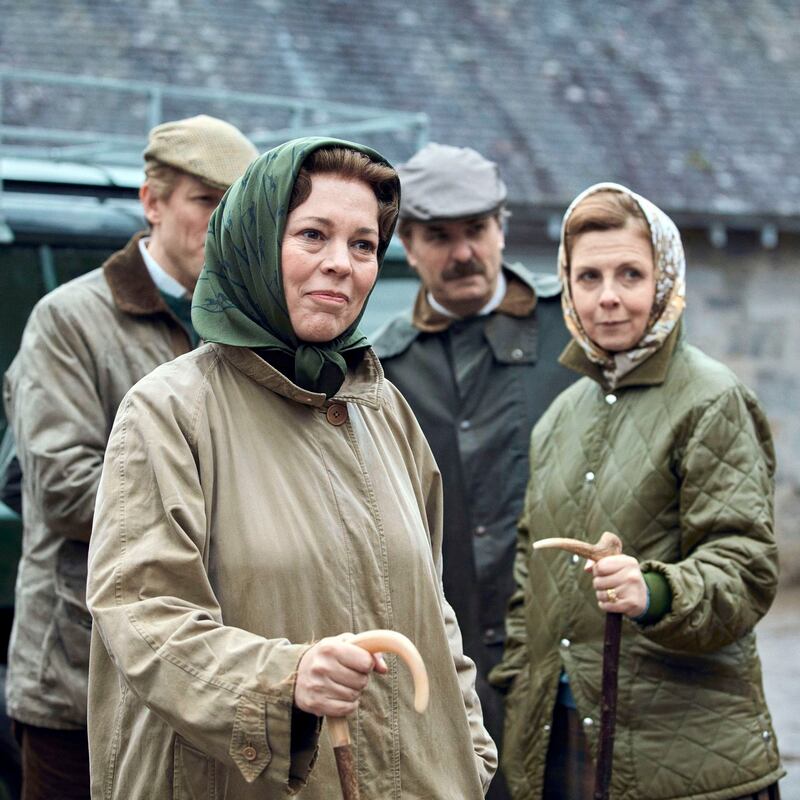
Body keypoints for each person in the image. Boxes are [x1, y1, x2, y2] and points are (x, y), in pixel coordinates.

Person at [85, 138, 497, 799]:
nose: (341, 264)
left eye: (363, 245)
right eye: (312, 235)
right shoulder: (170, 411)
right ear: (254, 241)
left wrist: (468, 752)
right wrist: (284, 681)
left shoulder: (384, 409)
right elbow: (141, 615)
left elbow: (432, 609)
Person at [490, 183, 783, 800]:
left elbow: (745, 568)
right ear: (566, 286)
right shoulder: (561, 415)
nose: (609, 297)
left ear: (666, 279)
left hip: (682, 754)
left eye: (631, 273)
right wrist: (519, 690)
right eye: (588, 276)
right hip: (560, 737)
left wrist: (653, 591)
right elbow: (528, 578)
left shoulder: (711, 399)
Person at [3, 114, 257, 800]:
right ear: (152, 203)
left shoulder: (249, 329)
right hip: (81, 671)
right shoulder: (69, 320)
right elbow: (62, 488)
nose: (224, 224)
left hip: (212, 674)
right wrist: (241, 508)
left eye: (238, 207)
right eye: (206, 202)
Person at [372, 143, 575, 797]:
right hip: (446, 674)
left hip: (571, 669)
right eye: (439, 236)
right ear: (406, 242)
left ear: (502, 228)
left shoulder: (574, 336)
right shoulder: (383, 373)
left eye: (476, 231)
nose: (462, 253)